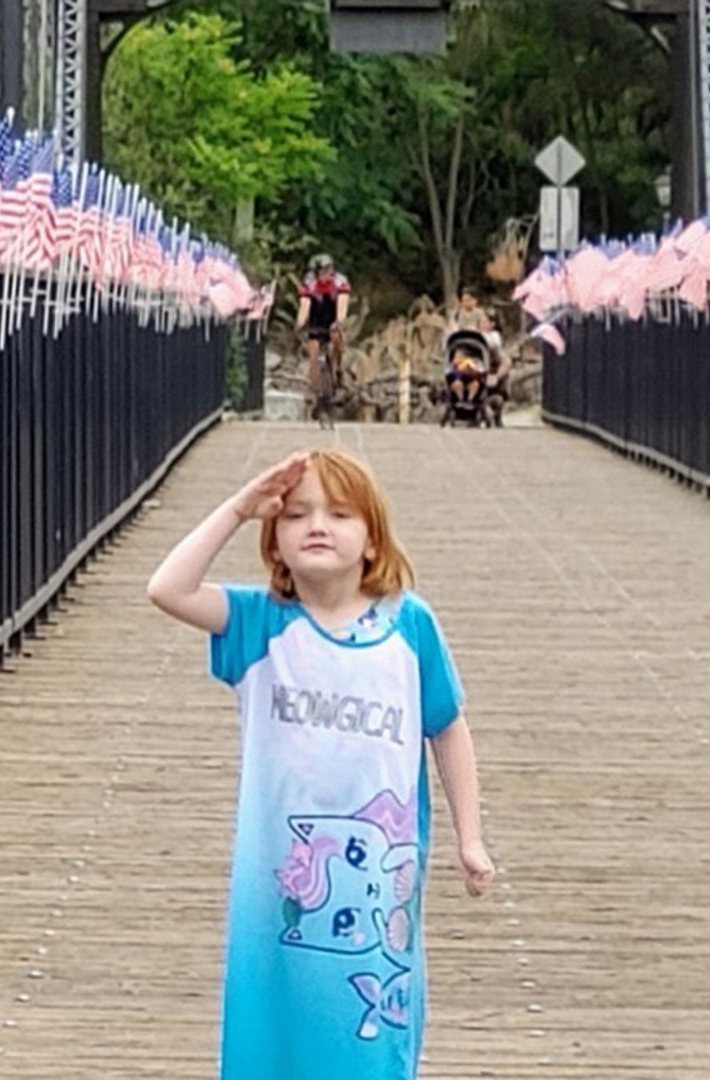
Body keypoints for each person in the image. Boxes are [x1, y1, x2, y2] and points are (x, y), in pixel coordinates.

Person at [145, 449, 494, 1080]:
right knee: (271, 1041)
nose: (317, 525)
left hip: (378, 889)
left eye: (339, 513)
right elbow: (167, 588)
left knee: (370, 1031)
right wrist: (238, 506)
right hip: (276, 892)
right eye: (296, 514)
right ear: (274, 542)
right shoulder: (258, 624)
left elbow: (447, 727)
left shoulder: (408, 627)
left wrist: (471, 837)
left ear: (372, 540)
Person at [295, 255, 351, 418]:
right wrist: (300, 323)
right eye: (321, 273)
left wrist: (339, 321)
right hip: (316, 319)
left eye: (327, 272)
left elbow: (342, 304)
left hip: (332, 316)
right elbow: (304, 305)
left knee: (336, 337)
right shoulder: (309, 283)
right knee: (313, 355)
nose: (325, 276)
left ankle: (338, 368)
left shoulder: (340, 282)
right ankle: (316, 391)